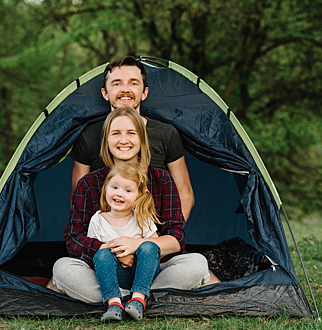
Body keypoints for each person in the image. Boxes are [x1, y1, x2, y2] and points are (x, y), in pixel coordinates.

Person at [49, 107, 211, 306]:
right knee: (62, 268)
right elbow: (74, 237)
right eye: (116, 133)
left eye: (131, 133)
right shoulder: (89, 184)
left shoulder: (162, 180)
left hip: (152, 272)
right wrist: (112, 250)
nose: (123, 140)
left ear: (142, 140)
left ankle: (131, 297)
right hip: (104, 270)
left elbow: (177, 238)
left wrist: (136, 246)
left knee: (197, 264)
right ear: (106, 141)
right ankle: (132, 299)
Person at [70, 56, 195, 220]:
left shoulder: (166, 134)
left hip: (154, 236)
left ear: (144, 93)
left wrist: (166, 237)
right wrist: (96, 240)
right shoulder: (88, 136)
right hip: (106, 238)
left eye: (133, 83)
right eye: (117, 83)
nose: (125, 89)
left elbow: (185, 194)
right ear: (105, 93)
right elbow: (77, 197)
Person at [90, 163, 161, 322]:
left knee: (149, 245)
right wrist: (116, 255)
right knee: (102, 253)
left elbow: (156, 249)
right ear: (106, 187)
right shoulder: (98, 219)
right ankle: (114, 304)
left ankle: (138, 300)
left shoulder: (141, 218)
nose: (119, 194)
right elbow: (95, 254)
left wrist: (136, 249)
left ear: (138, 195)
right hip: (116, 274)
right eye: (114, 187)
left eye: (128, 190)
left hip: (142, 271)